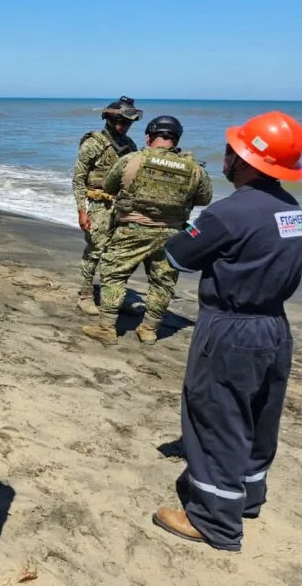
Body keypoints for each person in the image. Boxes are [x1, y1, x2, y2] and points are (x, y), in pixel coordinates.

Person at [153, 111, 302, 552]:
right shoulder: (293, 213)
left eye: (233, 150)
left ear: (247, 161)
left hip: (230, 327)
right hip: (274, 327)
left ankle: (214, 521)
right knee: (260, 415)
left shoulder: (228, 213)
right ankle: (248, 497)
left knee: (216, 418)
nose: (226, 156)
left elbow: (178, 254)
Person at [82, 116, 212, 346]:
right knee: (163, 281)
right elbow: (204, 198)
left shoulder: (132, 159)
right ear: (177, 138)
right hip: (171, 233)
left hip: (132, 230)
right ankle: (149, 329)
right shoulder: (194, 169)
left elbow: (109, 185)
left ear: (148, 136)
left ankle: (106, 328)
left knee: (114, 274)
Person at [72, 95, 143, 314]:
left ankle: (112, 296)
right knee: (95, 250)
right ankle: (85, 295)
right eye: (120, 121)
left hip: (122, 206)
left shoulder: (130, 145)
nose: (124, 126)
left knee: (118, 254)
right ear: (109, 119)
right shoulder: (93, 143)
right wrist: (82, 211)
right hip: (99, 205)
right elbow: (78, 179)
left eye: (128, 123)